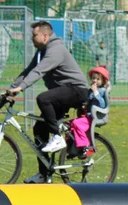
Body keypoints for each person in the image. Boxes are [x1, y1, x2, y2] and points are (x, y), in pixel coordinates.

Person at [7, 21, 89, 183]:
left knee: (43, 98)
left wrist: (21, 88)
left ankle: (58, 137)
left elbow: (38, 72)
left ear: (45, 36)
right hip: (62, 93)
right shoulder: (41, 52)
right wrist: (10, 90)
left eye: (34, 35)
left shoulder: (55, 50)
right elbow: (28, 71)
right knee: (39, 129)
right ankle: (44, 174)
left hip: (76, 90)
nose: (31, 38)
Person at [67, 66, 110, 157]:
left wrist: (95, 93)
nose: (95, 80)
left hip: (94, 117)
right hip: (87, 116)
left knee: (76, 123)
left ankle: (86, 146)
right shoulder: (90, 90)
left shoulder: (102, 91)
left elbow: (102, 105)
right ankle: (73, 149)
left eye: (98, 79)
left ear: (103, 81)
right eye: (93, 78)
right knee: (69, 124)